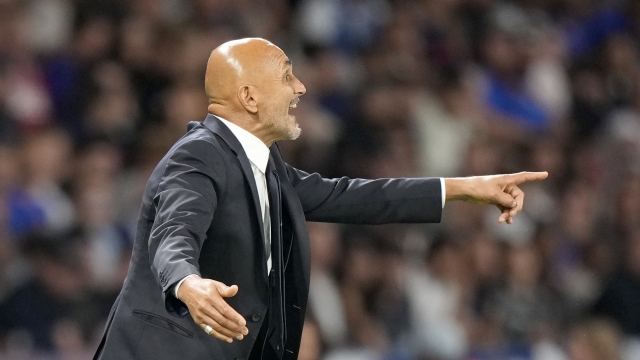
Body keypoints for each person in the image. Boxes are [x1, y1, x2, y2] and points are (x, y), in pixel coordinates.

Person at [93, 38, 547, 360]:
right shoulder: (198, 156)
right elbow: (173, 233)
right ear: (249, 96)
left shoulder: (266, 168)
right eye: (287, 76)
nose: (301, 89)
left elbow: (357, 197)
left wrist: (468, 188)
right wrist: (186, 283)